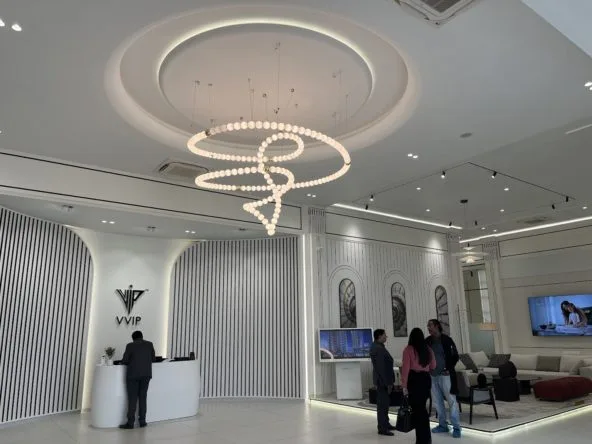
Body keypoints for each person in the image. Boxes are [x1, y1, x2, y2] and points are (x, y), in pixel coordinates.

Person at [426, 319, 461, 438]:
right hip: (432, 375)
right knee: (437, 401)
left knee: (451, 401)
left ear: (437, 326)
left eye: (430, 325)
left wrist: (448, 368)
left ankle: (456, 427)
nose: (428, 328)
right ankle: (442, 425)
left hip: (446, 375)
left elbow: (455, 356)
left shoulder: (447, 340)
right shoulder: (428, 341)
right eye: (428, 326)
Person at [401, 328, 436, 444]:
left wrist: (404, 386)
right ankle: (425, 439)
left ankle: (422, 440)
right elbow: (433, 366)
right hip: (425, 380)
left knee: (417, 410)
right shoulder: (428, 349)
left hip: (414, 380)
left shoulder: (408, 349)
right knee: (422, 409)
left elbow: (405, 369)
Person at [119, 330, 156, 429]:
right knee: (143, 398)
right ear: (142, 336)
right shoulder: (149, 344)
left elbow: (125, 360)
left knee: (132, 399)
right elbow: (153, 359)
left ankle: (130, 423)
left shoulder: (130, 345)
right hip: (146, 375)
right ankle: (142, 421)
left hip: (133, 376)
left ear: (133, 338)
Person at [370, 328, 396, 436]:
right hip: (382, 381)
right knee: (382, 405)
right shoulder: (378, 349)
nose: (386, 337)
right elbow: (382, 369)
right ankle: (382, 428)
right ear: (379, 336)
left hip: (381, 380)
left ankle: (386, 424)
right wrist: (388, 383)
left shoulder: (378, 346)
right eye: (385, 335)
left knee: (385, 404)